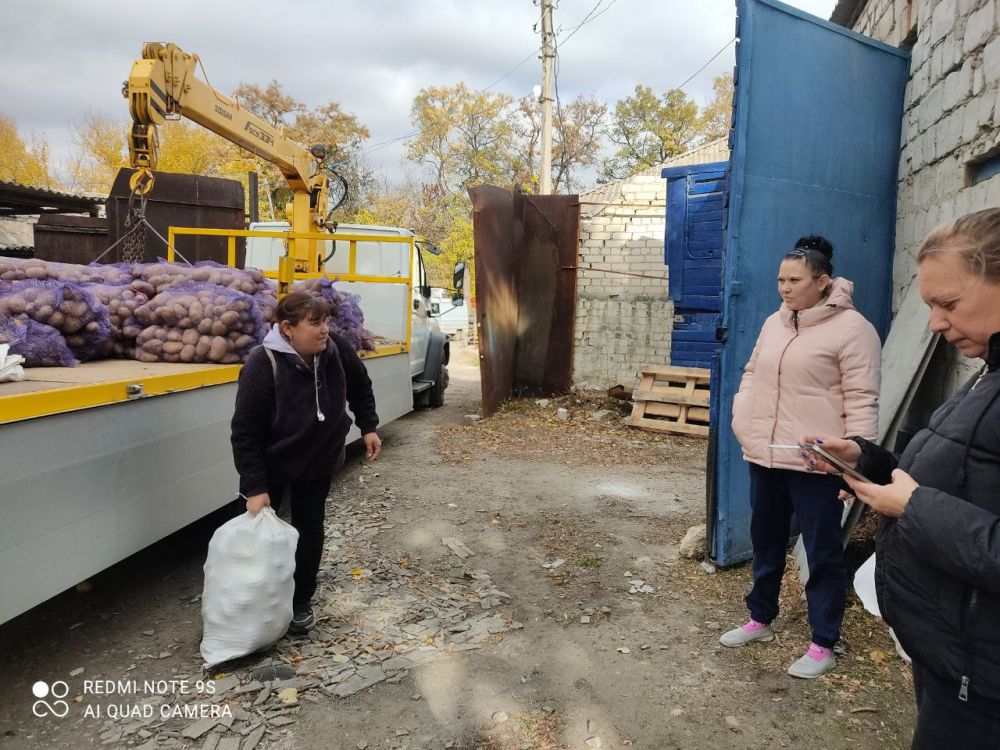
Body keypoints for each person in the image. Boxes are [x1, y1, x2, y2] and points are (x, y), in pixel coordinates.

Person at [803, 209, 1000, 747]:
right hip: (954, 657)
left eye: (949, 304)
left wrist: (913, 509)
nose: (935, 323)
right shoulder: (991, 370)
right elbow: (961, 476)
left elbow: (935, 503)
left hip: (983, 683)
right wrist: (867, 460)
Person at [723, 235, 882, 678]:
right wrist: (743, 417)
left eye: (794, 280)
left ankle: (823, 642)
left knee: (822, 553)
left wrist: (856, 465)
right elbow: (753, 373)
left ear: (823, 281)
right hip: (766, 456)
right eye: (780, 279)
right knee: (766, 541)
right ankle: (760, 618)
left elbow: (862, 399)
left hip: (817, 463)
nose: (784, 288)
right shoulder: (776, 323)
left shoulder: (854, 330)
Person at [231, 290, 381, 634]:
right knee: (258, 536)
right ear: (287, 328)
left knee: (309, 528)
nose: (324, 329)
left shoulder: (337, 350)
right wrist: (255, 487)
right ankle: (256, 600)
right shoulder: (261, 365)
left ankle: (300, 599)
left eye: (325, 321)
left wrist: (368, 426)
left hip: (318, 459)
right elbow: (245, 432)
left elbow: (360, 385)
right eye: (315, 323)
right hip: (272, 464)